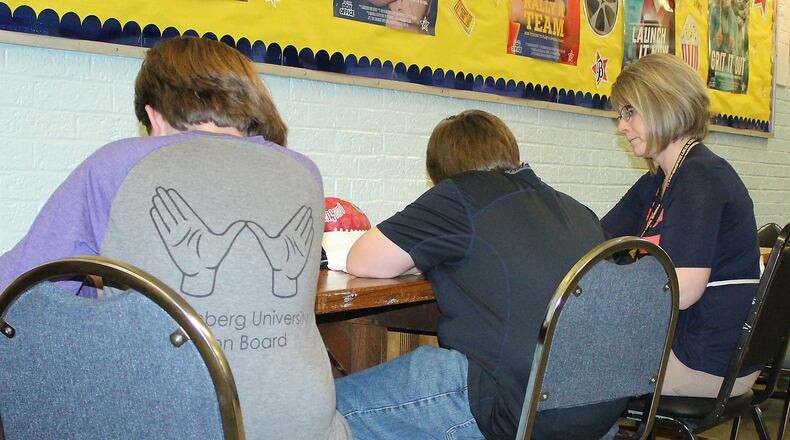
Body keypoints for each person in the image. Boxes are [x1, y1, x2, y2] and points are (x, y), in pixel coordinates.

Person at [0, 36, 351, 440]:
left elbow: (17, 294)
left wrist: (95, 300)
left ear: (153, 116)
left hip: (166, 426)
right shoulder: (304, 171)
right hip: (305, 427)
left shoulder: (117, 164)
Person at [335, 109, 627, 439]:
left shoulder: (460, 194)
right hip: (598, 414)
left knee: (320, 408)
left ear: (442, 172)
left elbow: (361, 260)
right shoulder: (577, 210)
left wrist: (421, 256)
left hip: (513, 409)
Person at [603, 53, 761, 398]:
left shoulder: (700, 176)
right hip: (695, 347)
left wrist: (610, 296)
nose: (621, 126)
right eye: (620, 115)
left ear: (662, 104)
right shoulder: (662, 178)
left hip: (703, 361)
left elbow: (684, 289)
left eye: (629, 112)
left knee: (563, 370)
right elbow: (599, 239)